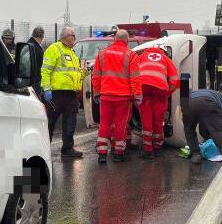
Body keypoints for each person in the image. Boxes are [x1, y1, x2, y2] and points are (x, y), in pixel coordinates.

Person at [92, 29, 141, 163]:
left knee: (104, 124)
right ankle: (118, 153)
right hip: (123, 97)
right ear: (127, 40)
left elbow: (96, 75)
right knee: (121, 124)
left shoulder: (102, 54)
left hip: (106, 96)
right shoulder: (131, 55)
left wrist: (96, 92)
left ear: (114, 39)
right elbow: (135, 78)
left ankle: (102, 153)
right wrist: (137, 95)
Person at [41, 26, 84, 158]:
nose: (75, 38)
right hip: (56, 94)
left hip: (71, 94)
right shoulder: (54, 49)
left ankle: (67, 148)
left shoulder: (72, 52)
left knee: (70, 122)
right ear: (66, 36)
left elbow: (75, 72)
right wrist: (46, 89)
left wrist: (84, 72)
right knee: (50, 122)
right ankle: (43, 148)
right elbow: (46, 70)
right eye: (73, 36)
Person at [136, 44, 180, 158]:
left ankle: (148, 151)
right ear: (163, 51)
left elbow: (133, 75)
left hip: (143, 88)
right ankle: (158, 147)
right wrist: (167, 93)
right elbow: (175, 80)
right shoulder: (166, 59)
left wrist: (135, 93)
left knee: (146, 119)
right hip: (160, 90)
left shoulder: (141, 56)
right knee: (158, 120)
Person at [184, 89, 222, 164]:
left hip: (188, 103)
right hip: (209, 103)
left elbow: (204, 122)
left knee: (189, 129)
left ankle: (195, 154)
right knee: (217, 131)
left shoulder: (211, 93)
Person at [27, 26, 46, 99]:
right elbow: (41, 68)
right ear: (41, 37)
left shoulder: (27, 44)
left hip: (26, 81)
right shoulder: (38, 49)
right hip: (35, 82)